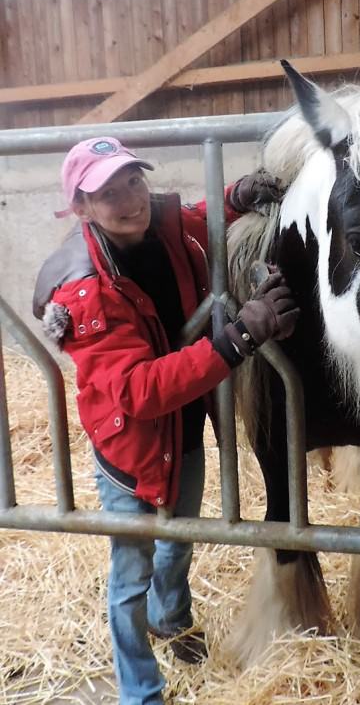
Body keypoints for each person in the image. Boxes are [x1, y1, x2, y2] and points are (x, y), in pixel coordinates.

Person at [32, 137, 299, 705]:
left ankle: (172, 618)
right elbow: (137, 391)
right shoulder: (84, 293)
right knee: (131, 572)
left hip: (185, 425)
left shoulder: (161, 225)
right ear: (80, 208)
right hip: (131, 447)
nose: (130, 199)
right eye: (108, 193)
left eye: (133, 181)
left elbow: (199, 221)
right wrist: (239, 338)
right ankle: (139, 689)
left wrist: (238, 196)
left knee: (179, 538)